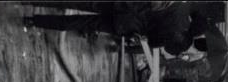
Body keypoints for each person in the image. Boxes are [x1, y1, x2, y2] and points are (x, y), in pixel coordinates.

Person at [24, 1, 194, 54]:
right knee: (77, 23)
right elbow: (150, 42)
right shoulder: (175, 39)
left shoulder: (179, 7)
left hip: (123, 6)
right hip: (124, 26)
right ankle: (34, 21)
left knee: (78, 2)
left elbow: (152, 3)